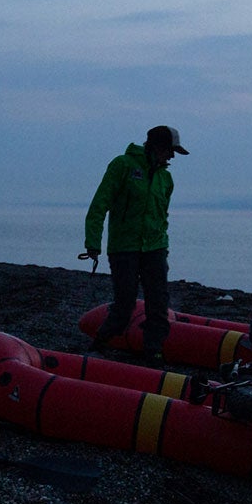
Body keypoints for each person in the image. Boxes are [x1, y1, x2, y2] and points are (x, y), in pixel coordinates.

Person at [81, 125, 188, 362]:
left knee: (158, 302)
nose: (172, 156)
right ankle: (100, 342)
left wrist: (162, 242)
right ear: (157, 147)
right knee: (125, 302)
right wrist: (93, 242)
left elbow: (162, 215)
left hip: (155, 247)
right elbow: (100, 204)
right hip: (124, 248)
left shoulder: (166, 178)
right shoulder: (122, 165)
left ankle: (153, 350)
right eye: (170, 150)